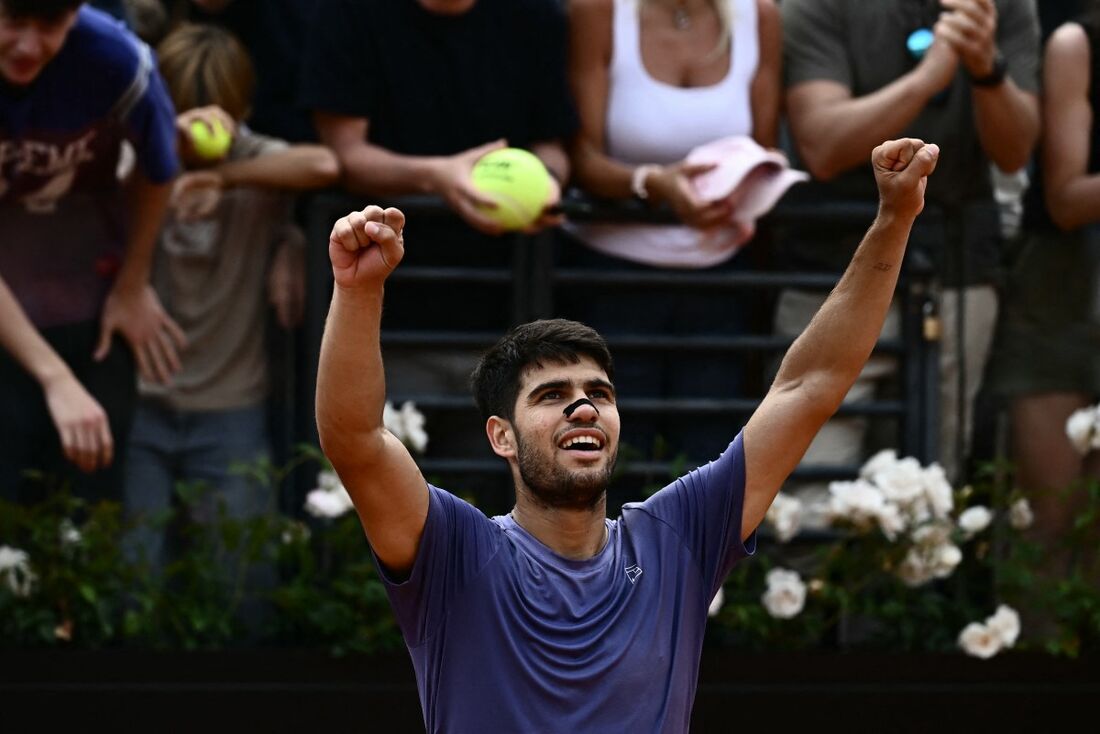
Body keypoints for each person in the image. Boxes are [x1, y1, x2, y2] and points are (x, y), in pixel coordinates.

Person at [316, 137, 939, 732]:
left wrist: (894, 218)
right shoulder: (455, 553)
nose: (583, 407)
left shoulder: (678, 538)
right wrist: (358, 289)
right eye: (552, 396)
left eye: (599, 394)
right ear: (501, 437)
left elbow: (811, 385)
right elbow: (357, 439)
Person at [777, 0, 1040, 519]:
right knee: (807, 500)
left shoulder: (1002, 6)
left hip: (957, 269)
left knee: (931, 499)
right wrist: (930, 76)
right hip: (832, 270)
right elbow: (822, 144)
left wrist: (987, 69)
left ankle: (918, 600)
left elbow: (1015, 151)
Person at [122, 22, 339, 574]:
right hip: (139, 406)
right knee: (131, 585)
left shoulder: (254, 160)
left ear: (237, 109)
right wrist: (165, 142)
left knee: (242, 589)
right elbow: (106, 178)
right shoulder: (138, 156)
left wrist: (229, 178)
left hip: (232, 409)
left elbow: (323, 165)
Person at [562, 0, 785, 462]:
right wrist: (654, 184)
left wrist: (744, 196)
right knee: (611, 461)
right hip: (609, 281)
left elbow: (764, 151)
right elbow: (581, 158)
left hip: (722, 282)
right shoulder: (599, 11)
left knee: (708, 463)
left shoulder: (760, 16)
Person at [0, 0, 182, 502]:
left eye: (50, 24)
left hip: (85, 296)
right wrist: (54, 378)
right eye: (14, 21)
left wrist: (133, 282)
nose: (28, 46)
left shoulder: (119, 61)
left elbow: (160, 169)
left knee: (92, 484)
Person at [989, 4, 1100, 577]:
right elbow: (1065, 196)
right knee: (1052, 520)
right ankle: (1035, 660)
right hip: (1062, 294)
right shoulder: (1075, 44)